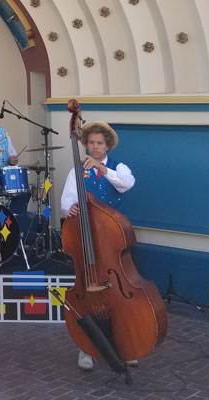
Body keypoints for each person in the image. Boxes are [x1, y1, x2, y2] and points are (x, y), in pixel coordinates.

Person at [60, 120, 135, 371]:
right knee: (89, 293)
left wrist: (103, 170)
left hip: (114, 240)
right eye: (91, 143)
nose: (94, 147)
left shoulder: (118, 167)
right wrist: (69, 207)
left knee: (120, 294)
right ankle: (87, 348)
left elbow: (126, 183)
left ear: (107, 145)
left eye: (99, 143)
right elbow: (67, 200)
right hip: (87, 238)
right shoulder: (76, 170)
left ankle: (126, 346)